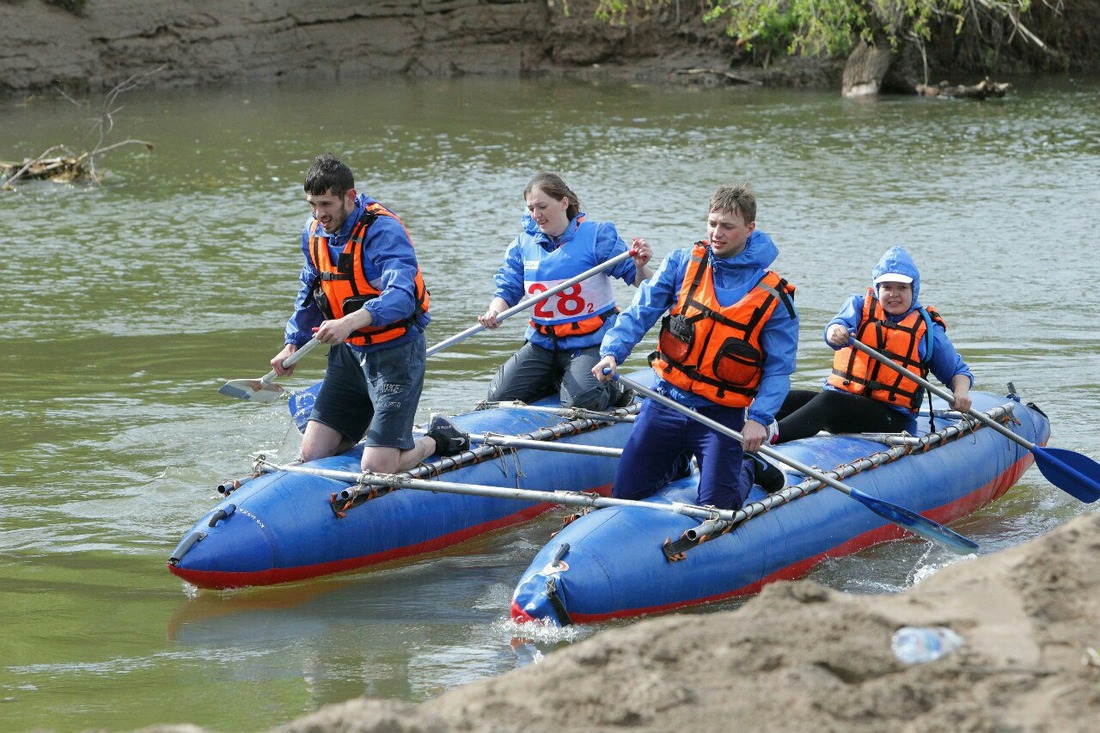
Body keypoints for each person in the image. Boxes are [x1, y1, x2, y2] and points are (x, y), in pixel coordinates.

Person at [593, 184, 798, 510]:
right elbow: (640, 312)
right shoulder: (682, 264)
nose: (717, 233)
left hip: (720, 416)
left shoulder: (773, 296)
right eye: (712, 223)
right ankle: (676, 463)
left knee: (718, 507)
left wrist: (759, 418)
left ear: (749, 229)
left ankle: (749, 465)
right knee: (626, 495)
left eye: (728, 227)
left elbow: (779, 368)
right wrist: (612, 352)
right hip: (666, 402)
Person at [270, 153, 468, 474]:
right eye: (312, 205)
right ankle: (368, 431)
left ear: (349, 196)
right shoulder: (312, 233)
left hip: (395, 355)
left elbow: (402, 297)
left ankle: (436, 438)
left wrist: (350, 321)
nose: (319, 214)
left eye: (326, 204)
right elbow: (310, 291)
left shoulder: (383, 230)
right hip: (348, 356)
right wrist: (292, 343)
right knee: (313, 453)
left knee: (377, 468)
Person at [477, 172, 653, 411]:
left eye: (542, 206)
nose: (536, 215)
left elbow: (641, 281)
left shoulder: (596, 237)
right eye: (531, 208)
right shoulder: (523, 245)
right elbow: (508, 287)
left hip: (589, 342)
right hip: (543, 344)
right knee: (496, 398)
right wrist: (494, 312)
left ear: (563, 202)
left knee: (583, 403)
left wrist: (641, 265)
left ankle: (615, 390)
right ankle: (555, 380)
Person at [775, 245, 973, 443]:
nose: (894, 294)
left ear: (914, 290)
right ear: (878, 289)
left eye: (902, 288)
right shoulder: (859, 307)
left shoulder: (928, 331)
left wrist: (961, 392)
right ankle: (748, 432)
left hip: (892, 418)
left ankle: (770, 438)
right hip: (848, 402)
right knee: (786, 399)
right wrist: (834, 332)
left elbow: (958, 373)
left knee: (828, 402)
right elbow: (835, 327)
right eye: (887, 287)